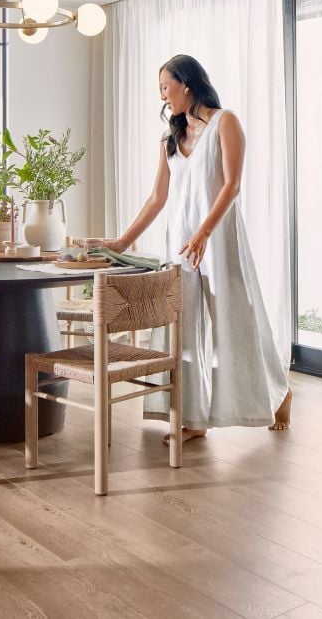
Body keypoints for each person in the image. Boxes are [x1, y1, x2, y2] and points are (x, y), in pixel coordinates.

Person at [96, 54, 292, 443]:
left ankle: (279, 391)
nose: (163, 97)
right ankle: (193, 418)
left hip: (218, 239)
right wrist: (120, 241)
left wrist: (203, 233)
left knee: (234, 321)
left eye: (166, 88)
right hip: (179, 246)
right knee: (181, 329)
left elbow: (231, 185)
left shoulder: (226, 122)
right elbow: (157, 197)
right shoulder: (171, 138)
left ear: (187, 84)